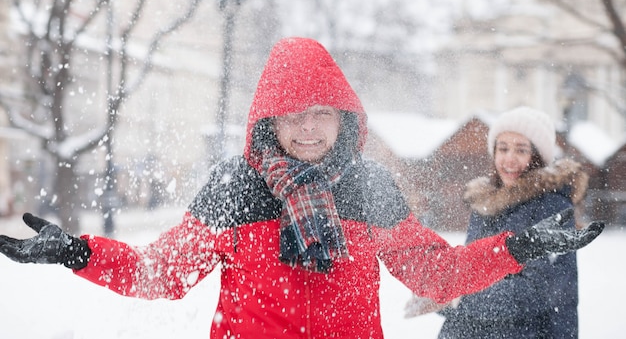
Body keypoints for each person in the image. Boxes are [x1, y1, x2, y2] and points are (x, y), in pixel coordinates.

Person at [0, 39, 603, 339]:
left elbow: (435, 275)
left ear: (343, 116)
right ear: (270, 122)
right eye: (293, 116)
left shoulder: (369, 185)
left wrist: (519, 248)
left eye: (321, 113)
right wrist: (78, 252)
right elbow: (163, 273)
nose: (308, 128)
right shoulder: (236, 186)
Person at [429, 106, 589, 338]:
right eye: (502, 148)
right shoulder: (484, 206)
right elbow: (469, 270)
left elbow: (539, 290)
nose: (509, 159)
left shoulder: (551, 207)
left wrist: (458, 296)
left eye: (521, 150)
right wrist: (440, 292)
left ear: (537, 157)